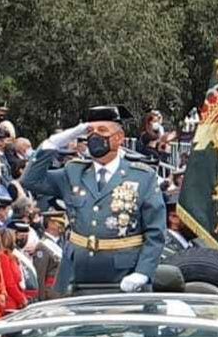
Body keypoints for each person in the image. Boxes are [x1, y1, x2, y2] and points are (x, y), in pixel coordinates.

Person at [21, 106, 166, 294]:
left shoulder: (142, 176)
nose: (95, 137)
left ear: (119, 138)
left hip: (123, 275)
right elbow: (31, 180)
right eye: (90, 132)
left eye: (103, 131)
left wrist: (143, 272)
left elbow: (156, 232)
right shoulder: (73, 172)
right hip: (77, 274)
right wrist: (54, 143)